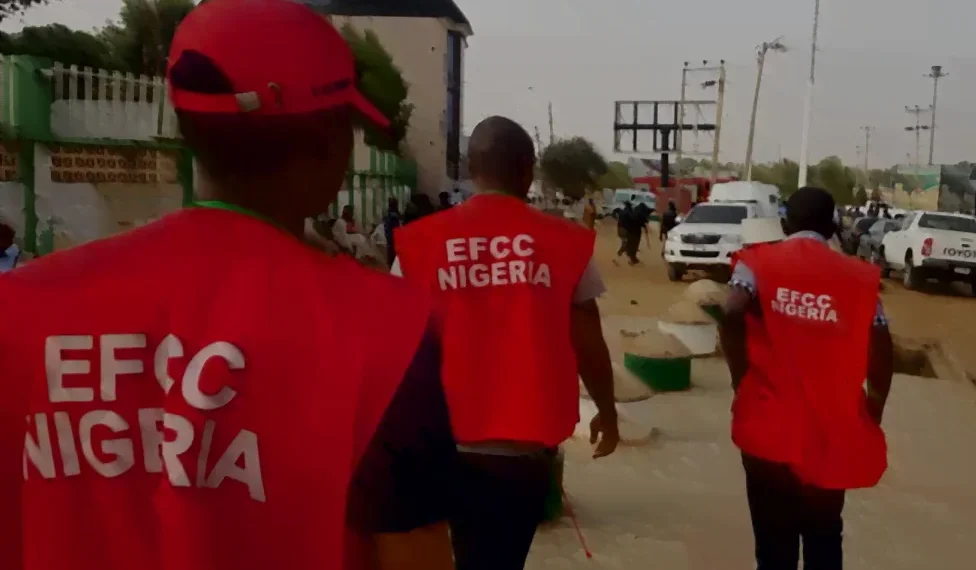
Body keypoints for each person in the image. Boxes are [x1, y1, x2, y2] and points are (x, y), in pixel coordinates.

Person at [0, 1, 457, 569]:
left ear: (188, 128)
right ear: (329, 139)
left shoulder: (18, 309)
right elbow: (415, 556)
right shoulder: (387, 332)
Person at [390, 115, 619, 570]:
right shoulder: (565, 242)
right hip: (523, 453)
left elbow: (394, 345)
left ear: (472, 166)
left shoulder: (417, 244)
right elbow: (588, 342)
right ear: (526, 169)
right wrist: (607, 415)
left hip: (437, 444)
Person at [720, 187, 894, 570]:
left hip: (768, 422)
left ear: (785, 224)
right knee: (824, 533)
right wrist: (874, 406)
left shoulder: (756, 264)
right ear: (832, 226)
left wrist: (741, 378)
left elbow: (731, 312)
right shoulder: (859, 279)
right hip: (831, 427)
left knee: (772, 543)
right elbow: (881, 345)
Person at [384, 197, 402, 266]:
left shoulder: (389, 212)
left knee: (390, 248)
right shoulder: (394, 213)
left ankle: (390, 262)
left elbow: (386, 223)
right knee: (393, 248)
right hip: (393, 233)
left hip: (390, 233)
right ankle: (393, 262)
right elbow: (399, 218)